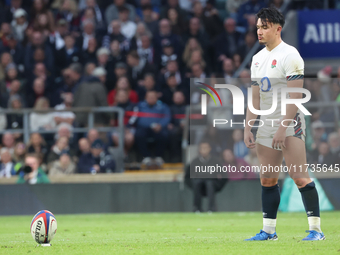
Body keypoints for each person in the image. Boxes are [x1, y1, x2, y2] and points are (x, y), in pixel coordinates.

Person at [244, 7, 324, 241]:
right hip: (266, 123)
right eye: (258, 26)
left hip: (289, 122)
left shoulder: (290, 54)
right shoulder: (257, 59)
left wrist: (282, 127)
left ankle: (316, 231)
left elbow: (295, 95)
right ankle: (269, 231)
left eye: (264, 27)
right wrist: (248, 126)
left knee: (299, 176)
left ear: (278, 29)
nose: (259, 31)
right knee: (267, 178)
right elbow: (256, 97)